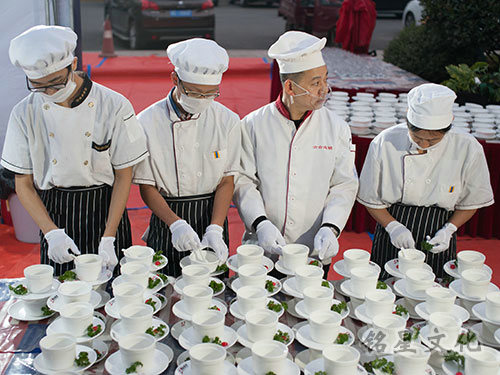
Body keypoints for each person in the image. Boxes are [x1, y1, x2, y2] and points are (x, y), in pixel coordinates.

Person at [1, 26, 148, 276]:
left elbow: (124, 174)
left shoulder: (113, 105)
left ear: (74, 64)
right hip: (56, 212)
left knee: (115, 293)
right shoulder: (24, 113)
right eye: (39, 86)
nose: (50, 92)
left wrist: (109, 238)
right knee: (64, 294)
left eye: (56, 83)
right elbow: (22, 182)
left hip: (106, 209)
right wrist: (51, 233)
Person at [233, 31, 359, 275]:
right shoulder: (253, 125)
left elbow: (344, 184)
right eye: (315, 83)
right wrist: (260, 223)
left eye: (325, 80)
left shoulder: (336, 128)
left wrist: (330, 228)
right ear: (290, 86)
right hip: (263, 246)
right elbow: (243, 181)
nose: (325, 89)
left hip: (314, 248)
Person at [357, 83, 494, 278]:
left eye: (433, 140)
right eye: (417, 136)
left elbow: (472, 201)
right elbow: (370, 198)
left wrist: (449, 230)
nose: (423, 144)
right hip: (392, 226)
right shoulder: (384, 142)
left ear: (449, 127)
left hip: (439, 228)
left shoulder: (467, 147)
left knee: (435, 292)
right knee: (386, 290)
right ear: (407, 120)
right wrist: (394, 227)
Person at [133, 38, 240, 277]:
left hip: (212, 214)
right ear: (175, 79)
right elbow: (147, 186)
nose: (202, 100)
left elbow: (226, 179)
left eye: (210, 94)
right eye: (194, 92)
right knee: (166, 289)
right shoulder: (147, 122)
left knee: (212, 292)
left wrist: (214, 228)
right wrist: (176, 224)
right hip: (167, 218)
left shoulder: (227, 121)